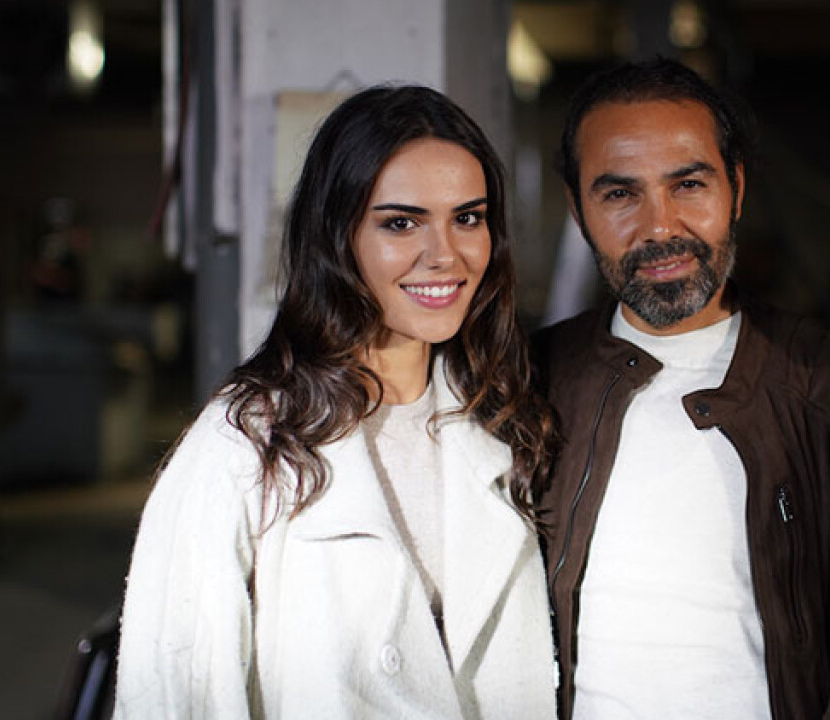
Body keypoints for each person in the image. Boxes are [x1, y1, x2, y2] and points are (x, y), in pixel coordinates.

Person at [114, 86, 559, 719]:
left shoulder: (501, 418)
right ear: (336, 237)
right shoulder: (242, 443)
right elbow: (174, 698)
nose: (446, 255)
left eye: (468, 218)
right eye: (400, 223)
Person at [532, 58, 830, 720]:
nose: (660, 227)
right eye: (619, 195)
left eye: (688, 185)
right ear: (577, 206)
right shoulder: (530, 381)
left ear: (736, 186)